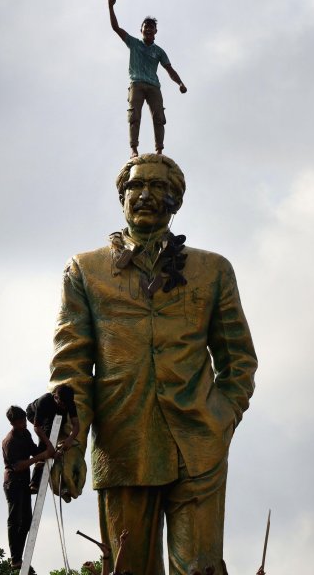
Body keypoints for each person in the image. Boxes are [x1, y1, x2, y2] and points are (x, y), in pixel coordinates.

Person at [49, 154, 258, 575]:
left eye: (159, 187)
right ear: (121, 197)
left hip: (199, 445)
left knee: (199, 569)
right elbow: (72, 368)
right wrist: (70, 443)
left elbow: (238, 359)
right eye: (136, 187)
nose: (145, 195)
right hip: (123, 446)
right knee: (127, 568)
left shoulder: (212, 270)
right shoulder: (85, 271)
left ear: (176, 199)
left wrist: (222, 418)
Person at [108, 0, 187, 157]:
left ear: (155, 31)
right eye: (146, 27)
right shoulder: (134, 43)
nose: (149, 29)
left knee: (158, 116)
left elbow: (169, 69)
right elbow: (116, 28)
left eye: (152, 27)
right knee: (134, 114)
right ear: (141, 29)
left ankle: (159, 150)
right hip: (137, 83)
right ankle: (133, 148)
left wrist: (180, 83)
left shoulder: (159, 51)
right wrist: (110, 7)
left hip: (153, 86)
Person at [2, 405, 53, 568]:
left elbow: (34, 451)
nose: (24, 424)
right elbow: (18, 466)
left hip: (23, 482)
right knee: (15, 520)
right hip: (13, 483)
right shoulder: (9, 441)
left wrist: (49, 448)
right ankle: (15, 558)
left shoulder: (25, 433)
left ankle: (19, 558)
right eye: (20, 422)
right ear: (13, 423)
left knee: (26, 521)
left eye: (24, 420)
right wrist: (40, 457)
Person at [26, 384, 80, 494]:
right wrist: (49, 445)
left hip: (56, 416)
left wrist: (69, 439)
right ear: (56, 397)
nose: (64, 407)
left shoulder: (69, 403)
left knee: (61, 424)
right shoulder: (44, 401)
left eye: (66, 406)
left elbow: (76, 425)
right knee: (45, 442)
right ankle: (35, 482)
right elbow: (37, 428)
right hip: (36, 414)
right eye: (62, 404)